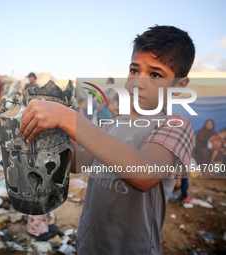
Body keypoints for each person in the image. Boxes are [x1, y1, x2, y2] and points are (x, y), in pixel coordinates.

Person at [19, 25, 195, 254]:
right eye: (134, 70)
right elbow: (77, 163)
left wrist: (66, 117)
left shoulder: (176, 125)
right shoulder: (114, 123)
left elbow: (145, 175)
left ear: (179, 86)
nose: (138, 82)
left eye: (155, 74)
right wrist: (53, 131)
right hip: (88, 241)